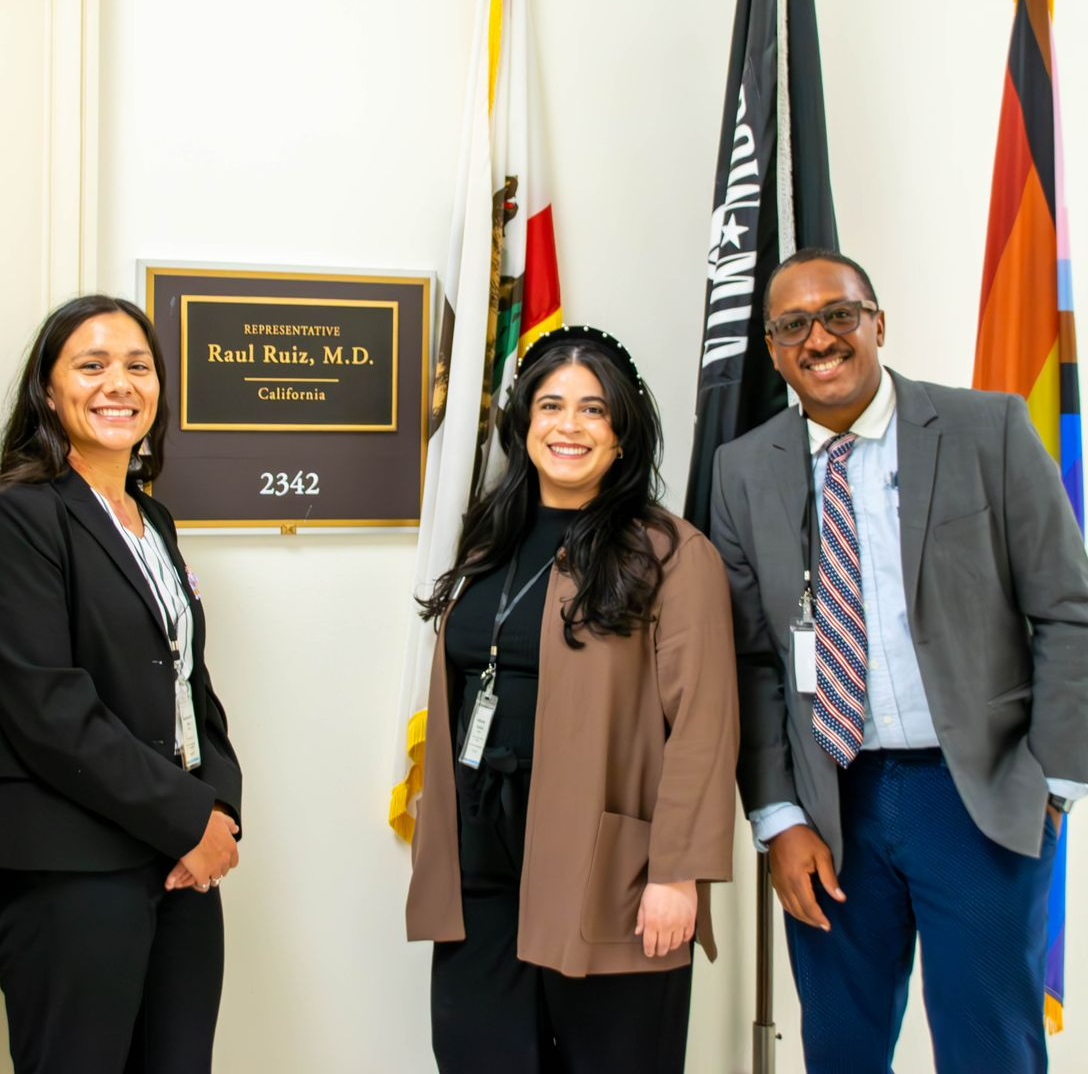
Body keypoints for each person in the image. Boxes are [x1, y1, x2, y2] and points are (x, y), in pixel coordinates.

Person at [710, 247, 1088, 1072]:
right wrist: (777, 819)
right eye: (793, 325)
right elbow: (751, 660)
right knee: (842, 1051)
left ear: (877, 323)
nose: (820, 338)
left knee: (990, 1047)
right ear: (773, 349)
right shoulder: (741, 473)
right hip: (829, 812)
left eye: (839, 315)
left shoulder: (985, 429)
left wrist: (1051, 785)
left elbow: (1068, 610)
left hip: (978, 801)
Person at [406, 326, 738, 1073]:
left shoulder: (672, 555)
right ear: (523, 424)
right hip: (481, 872)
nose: (568, 426)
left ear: (621, 433)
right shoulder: (487, 543)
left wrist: (676, 873)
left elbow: (702, 729)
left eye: (592, 410)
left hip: (609, 878)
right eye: (550, 405)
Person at [0, 294, 243, 1073]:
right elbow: (50, 711)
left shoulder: (156, 521)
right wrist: (189, 816)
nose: (118, 384)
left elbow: (190, 685)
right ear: (48, 392)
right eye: (91, 366)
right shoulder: (9, 518)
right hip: (71, 872)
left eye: (137, 367)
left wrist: (221, 804)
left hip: (179, 864)